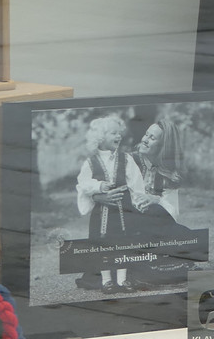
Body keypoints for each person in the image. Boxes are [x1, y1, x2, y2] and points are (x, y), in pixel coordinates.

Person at [74, 114, 139, 293]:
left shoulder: (126, 159)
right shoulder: (91, 162)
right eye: (113, 133)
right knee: (102, 245)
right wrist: (98, 187)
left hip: (123, 211)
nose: (119, 136)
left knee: (122, 244)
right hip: (101, 214)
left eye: (119, 133)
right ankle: (106, 280)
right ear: (101, 137)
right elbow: (83, 184)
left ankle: (122, 280)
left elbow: (136, 183)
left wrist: (138, 203)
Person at [124, 119, 193, 288]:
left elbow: (172, 212)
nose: (145, 140)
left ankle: (157, 269)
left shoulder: (168, 172)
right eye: (146, 134)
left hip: (154, 222)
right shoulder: (128, 160)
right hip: (127, 218)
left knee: (185, 234)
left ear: (163, 146)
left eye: (152, 138)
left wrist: (156, 199)